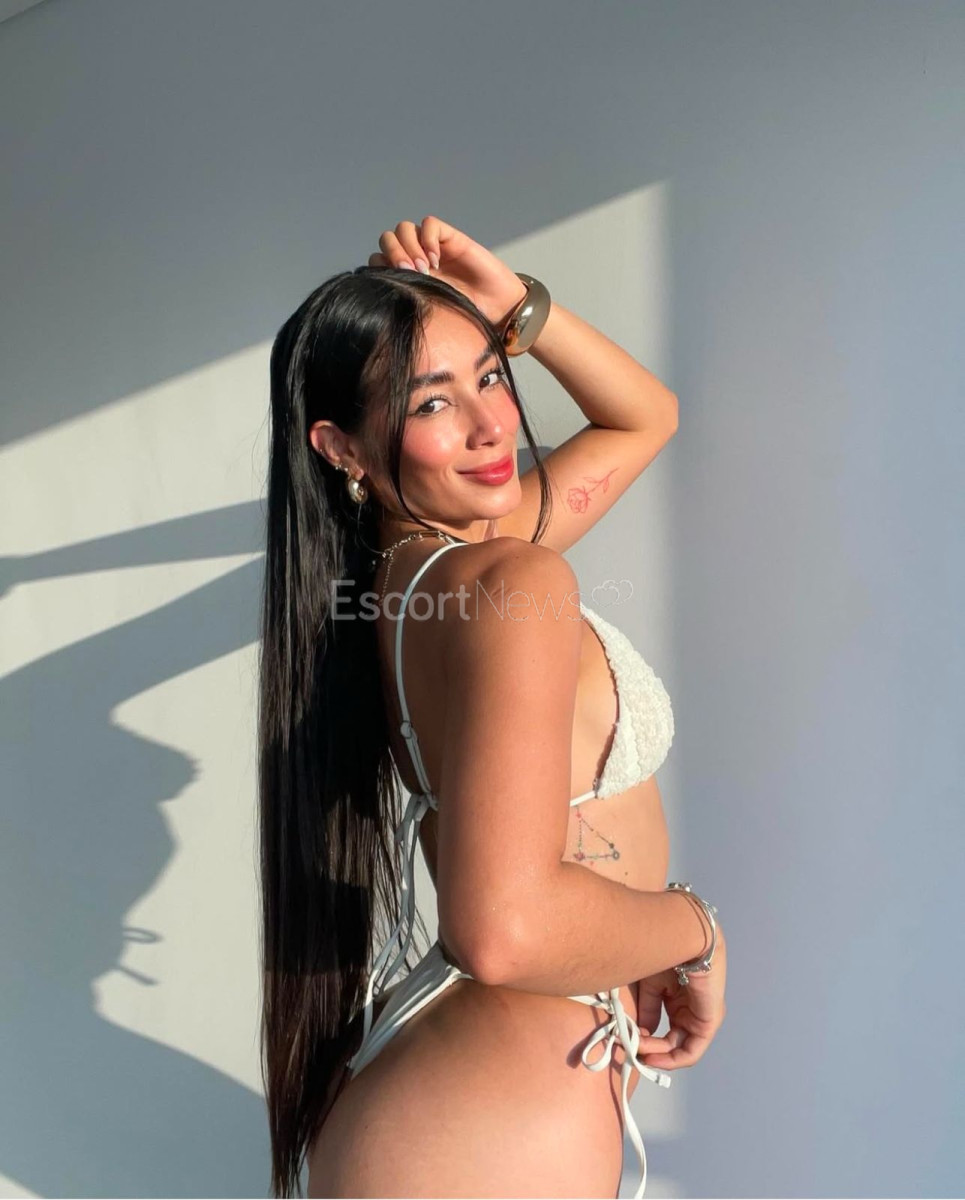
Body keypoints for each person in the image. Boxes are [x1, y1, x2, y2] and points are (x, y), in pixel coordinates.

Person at [257, 215, 727, 1199]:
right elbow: (503, 929)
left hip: (466, 1107)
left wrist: (512, 302)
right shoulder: (506, 581)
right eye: (434, 400)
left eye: (491, 375)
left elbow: (644, 416)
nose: (492, 425)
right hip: (492, 1122)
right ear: (341, 448)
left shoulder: (414, 582)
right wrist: (692, 930)